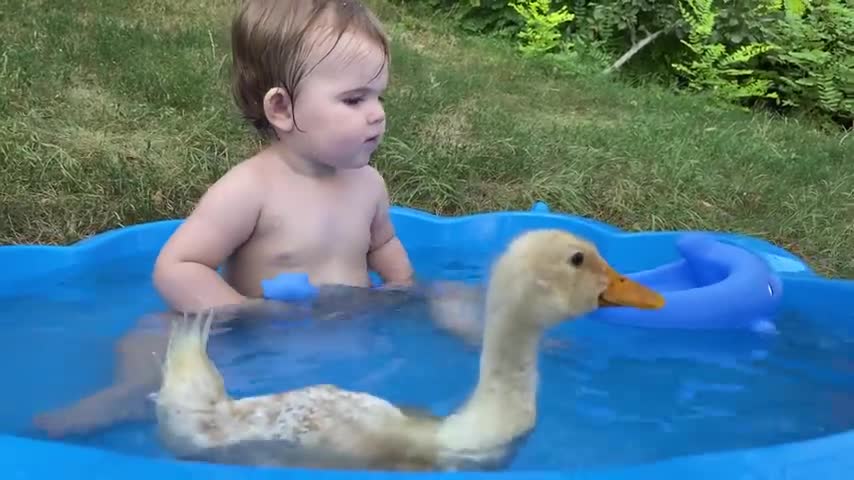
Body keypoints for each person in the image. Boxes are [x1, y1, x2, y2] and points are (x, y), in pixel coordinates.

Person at [33, 0, 418, 438]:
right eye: (354, 99)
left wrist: (402, 290)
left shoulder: (367, 183)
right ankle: (133, 394)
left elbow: (383, 245)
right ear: (282, 109)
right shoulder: (251, 189)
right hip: (256, 344)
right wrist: (240, 313)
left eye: (378, 95)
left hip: (351, 338)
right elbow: (179, 266)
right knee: (155, 333)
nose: (378, 113)